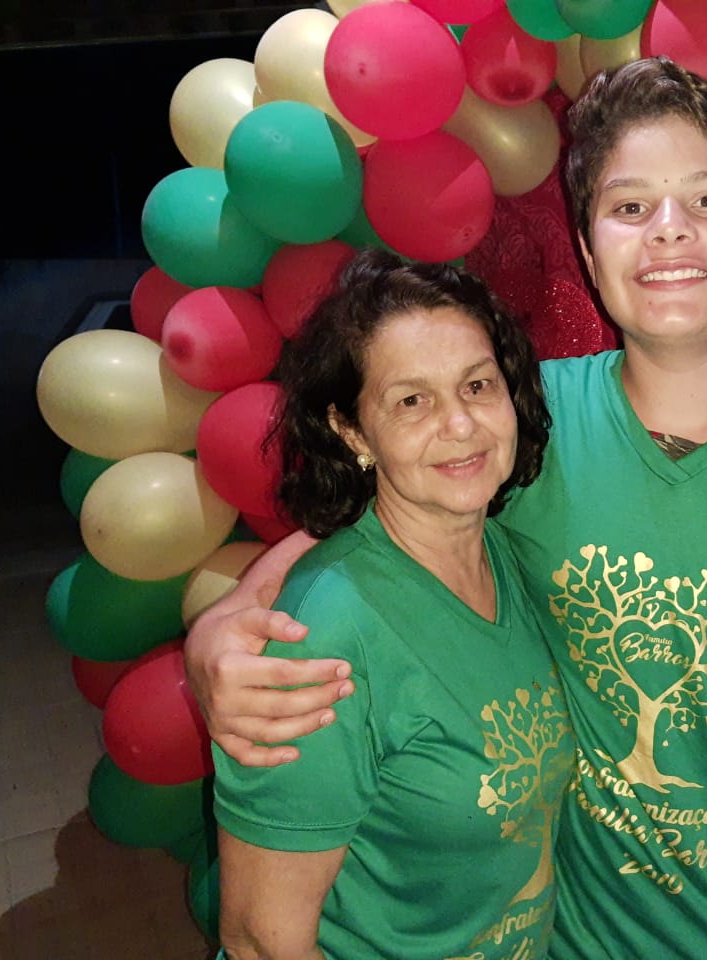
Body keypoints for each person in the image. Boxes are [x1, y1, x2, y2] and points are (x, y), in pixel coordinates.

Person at [190, 58, 707, 960]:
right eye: (630, 206)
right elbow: (368, 521)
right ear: (586, 250)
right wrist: (224, 627)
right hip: (587, 943)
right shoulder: (519, 423)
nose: (669, 230)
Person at [211, 250, 574, 960]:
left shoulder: (507, 550)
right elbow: (260, 941)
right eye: (412, 401)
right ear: (352, 431)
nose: (461, 424)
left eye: (477, 385)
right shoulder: (323, 638)